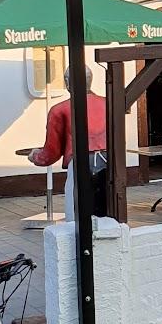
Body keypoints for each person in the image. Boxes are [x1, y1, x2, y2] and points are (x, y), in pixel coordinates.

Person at [31, 65, 108, 218]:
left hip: (79, 163)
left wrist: (36, 156)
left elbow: (51, 152)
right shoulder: (108, 103)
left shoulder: (60, 109)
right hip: (108, 162)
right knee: (106, 211)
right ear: (90, 81)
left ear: (67, 82)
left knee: (76, 214)